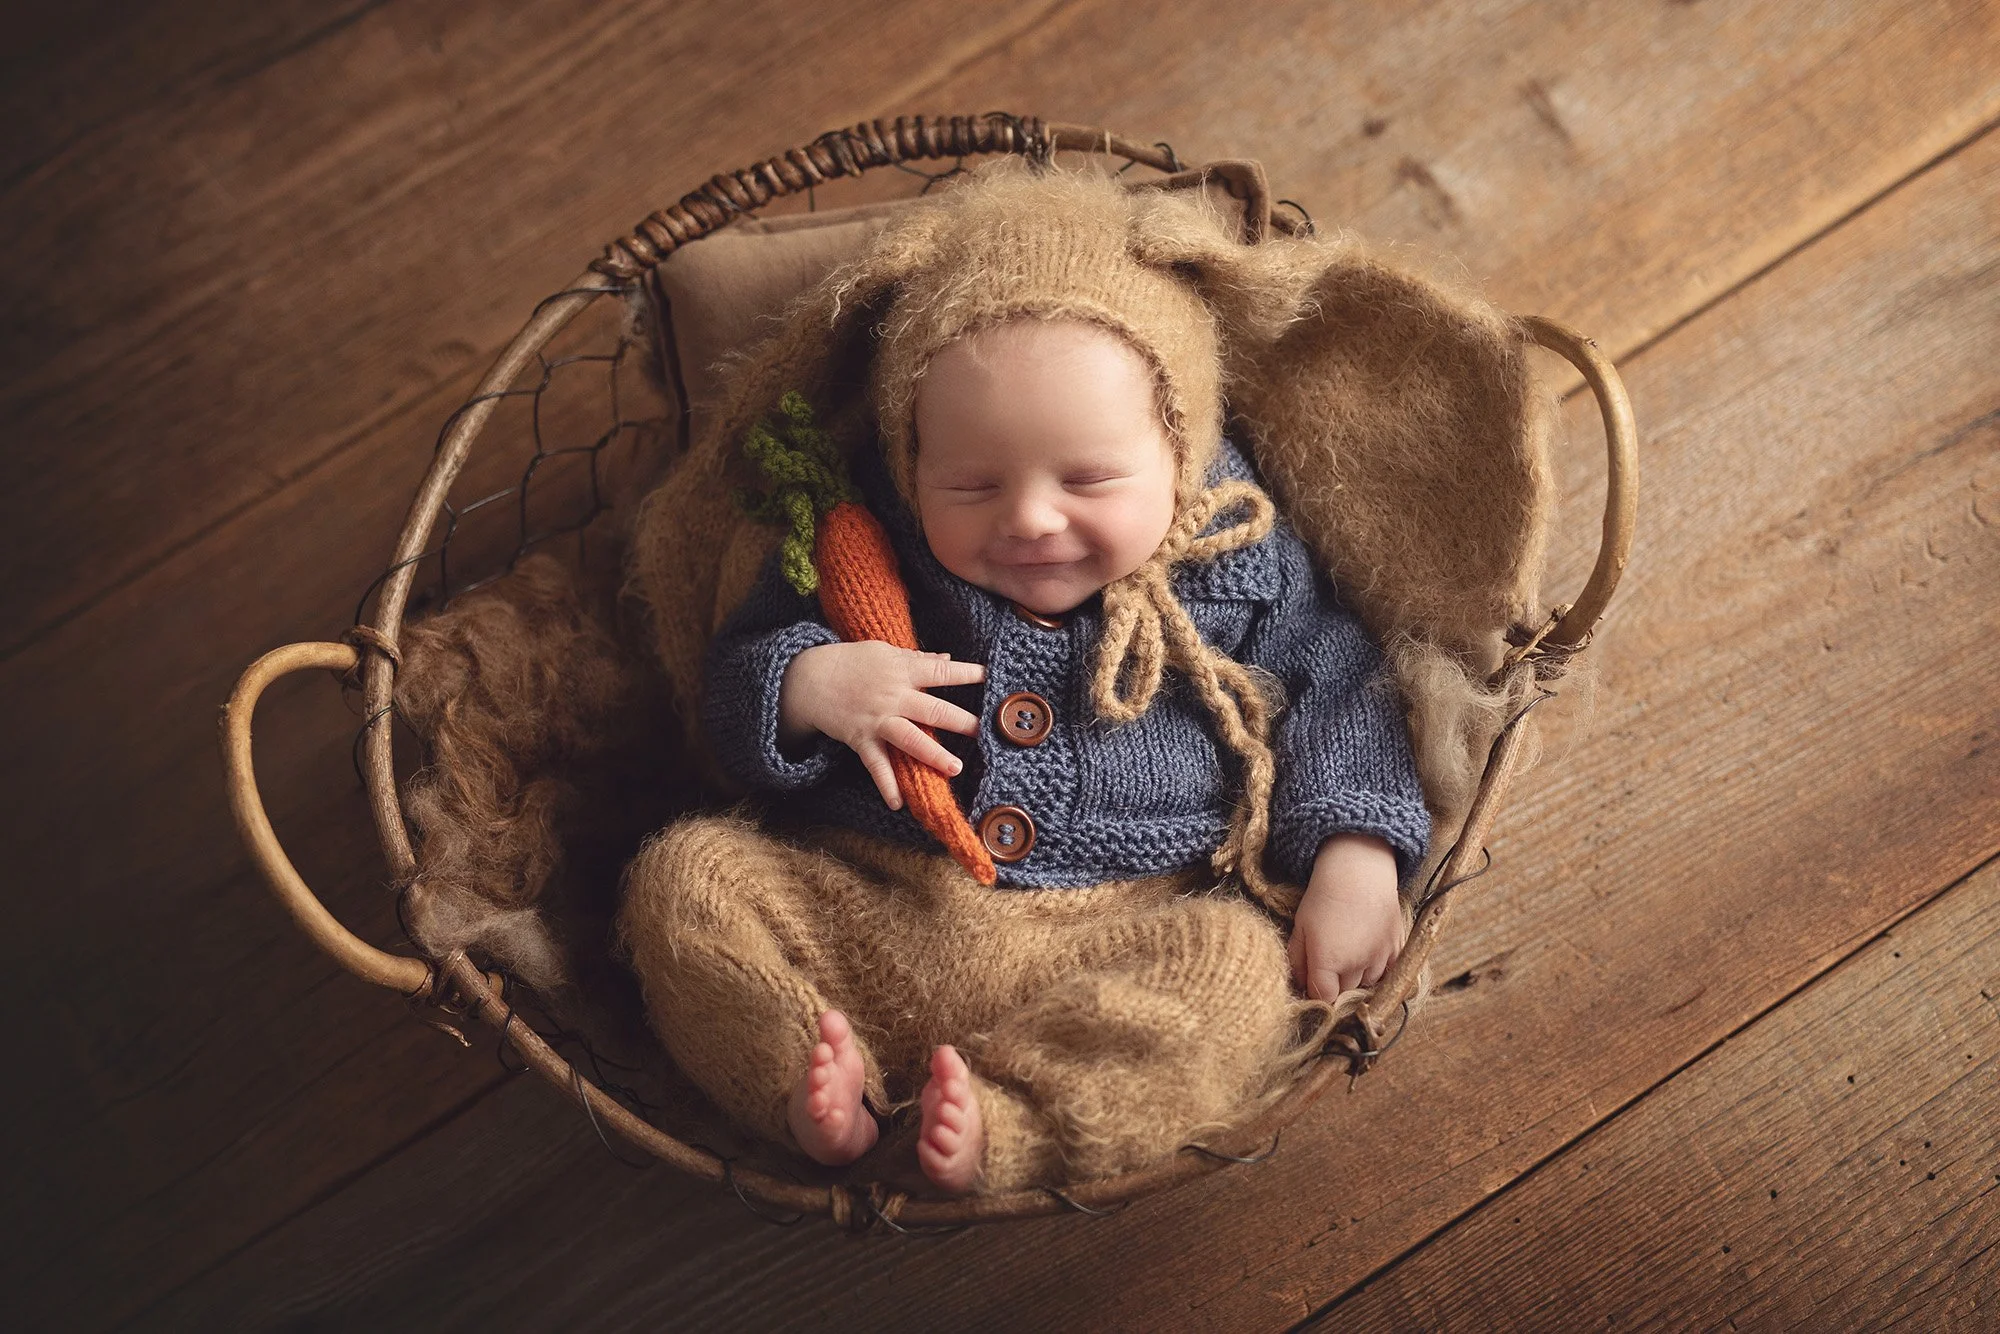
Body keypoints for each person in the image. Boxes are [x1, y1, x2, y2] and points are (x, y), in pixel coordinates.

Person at [617, 163, 1431, 1194]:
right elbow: (730, 686)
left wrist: (1355, 853)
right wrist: (808, 683)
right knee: (684, 877)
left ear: (1183, 449)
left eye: (1089, 479)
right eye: (971, 484)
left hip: (1113, 938)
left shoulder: (1235, 553)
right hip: (867, 908)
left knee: (1235, 973)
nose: (1032, 519)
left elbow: (1340, 685)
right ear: (910, 461)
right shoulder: (856, 534)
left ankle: (1015, 1125)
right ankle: (802, 1079)